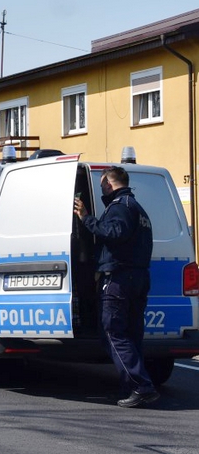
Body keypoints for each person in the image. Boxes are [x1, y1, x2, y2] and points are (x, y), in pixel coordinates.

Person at [74, 166, 158, 408]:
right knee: (131, 335)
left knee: (113, 333)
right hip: (137, 277)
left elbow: (113, 232)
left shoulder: (120, 207)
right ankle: (135, 385)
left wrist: (86, 218)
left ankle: (141, 386)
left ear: (109, 184)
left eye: (102, 186)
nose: (101, 190)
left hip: (119, 279)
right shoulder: (138, 208)